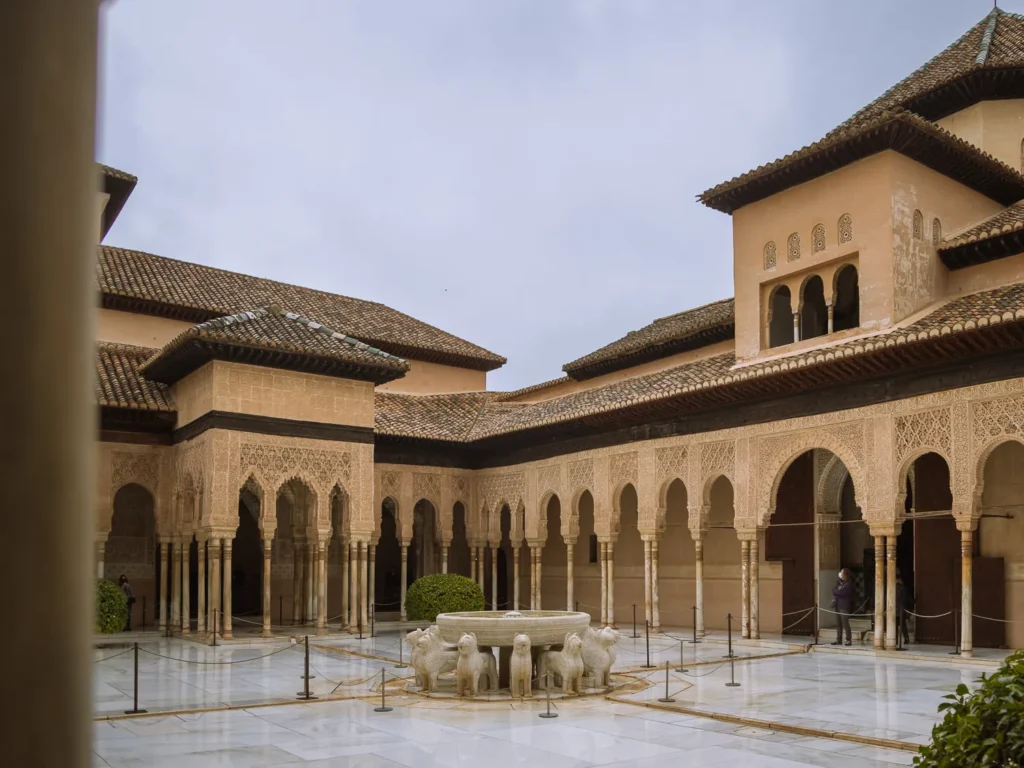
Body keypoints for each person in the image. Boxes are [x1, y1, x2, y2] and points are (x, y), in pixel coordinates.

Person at [831, 568, 854, 646]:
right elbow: (834, 590)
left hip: (844, 606)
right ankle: (838, 639)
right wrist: (837, 592)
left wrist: (837, 592)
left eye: (841, 572)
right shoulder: (839, 582)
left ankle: (848, 640)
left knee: (845, 623)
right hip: (837, 605)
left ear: (845, 574)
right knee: (838, 623)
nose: (840, 573)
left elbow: (842, 593)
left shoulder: (849, 583)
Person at [896, 574, 911, 645]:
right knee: (900, 625)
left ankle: (905, 639)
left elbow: (907, 600)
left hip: (900, 609)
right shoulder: (896, 588)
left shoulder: (903, 589)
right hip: (898, 609)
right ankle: (902, 639)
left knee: (902, 625)